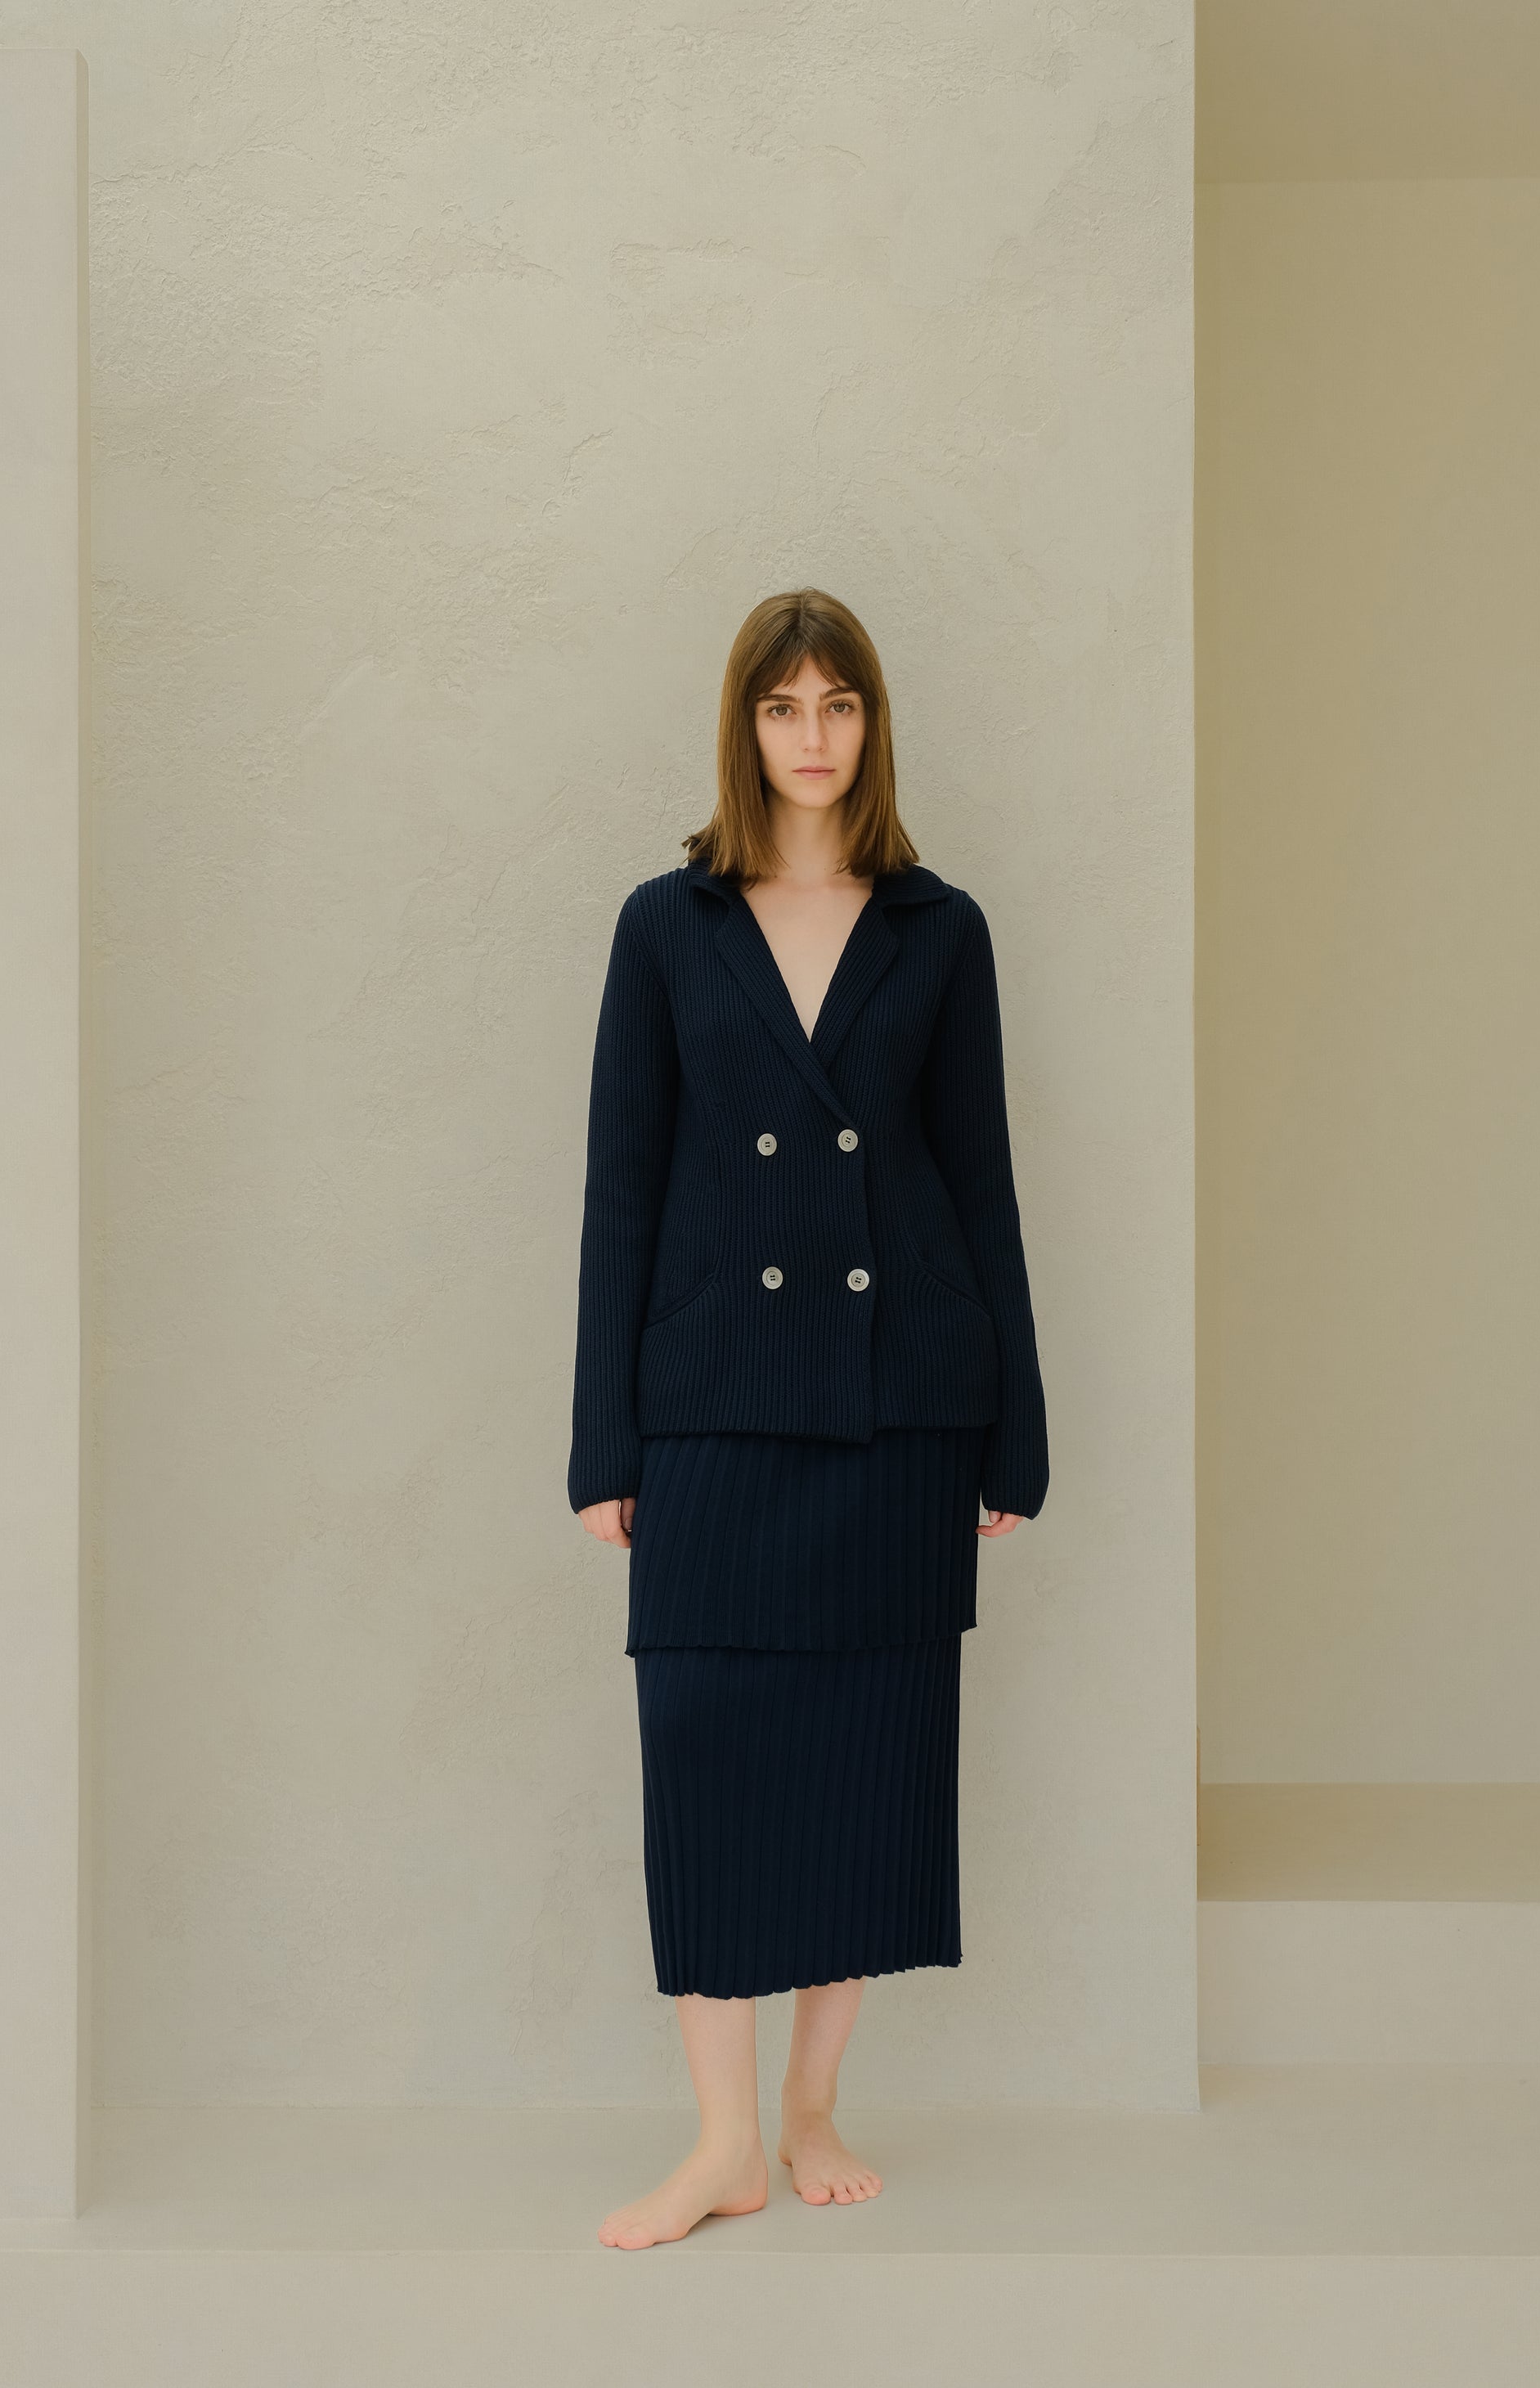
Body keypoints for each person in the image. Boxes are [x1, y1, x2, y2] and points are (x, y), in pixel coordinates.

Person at [568, 586, 1048, 2250]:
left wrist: (1014, 1424)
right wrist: (604, 1441)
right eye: (783, 706)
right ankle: (721, 2140)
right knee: (704, 1758)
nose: (813, 734)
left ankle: (811, 2107)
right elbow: (620, 1192)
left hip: (896, 1401)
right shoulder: (666, 923)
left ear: (871, 723)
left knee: (863, 1765)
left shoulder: (938, 927)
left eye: (839, 702)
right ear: (744, 726)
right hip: (712, 1395)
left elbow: (980, 1183)